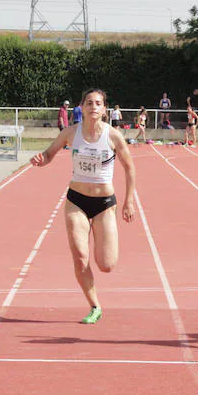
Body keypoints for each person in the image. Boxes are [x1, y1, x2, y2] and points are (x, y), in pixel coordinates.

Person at [30, 88, 136, 324]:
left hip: (104, 203)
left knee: (106, 265)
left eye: (98, 103)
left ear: (104, 109)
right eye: (89, 103)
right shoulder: (70, 133)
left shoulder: (113, 136)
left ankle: (98, 286)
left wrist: (128, 201)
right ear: (82, 107)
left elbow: (130, 168)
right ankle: (94, 305)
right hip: (76, 200)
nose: (94, 107)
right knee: (79, 257)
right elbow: (49, 154)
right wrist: (41, 159)